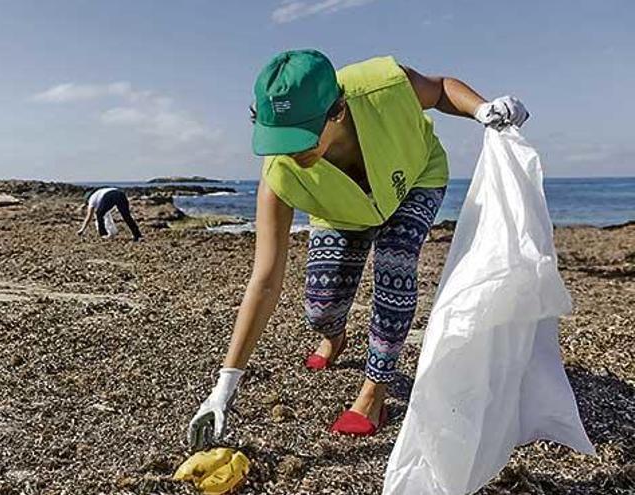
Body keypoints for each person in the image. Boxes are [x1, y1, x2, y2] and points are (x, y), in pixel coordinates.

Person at [188, 50, 529, 449]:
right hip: (342, 212)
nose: (291, 151)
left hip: (415, 181)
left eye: (302, 135)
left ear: (338, 110)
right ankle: (334, 338)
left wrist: (483, 109)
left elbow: (438, 90)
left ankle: (373, 394)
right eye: (280, 136)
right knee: (320, 310)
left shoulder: (383, 85)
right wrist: (223, 389)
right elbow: (264, 282)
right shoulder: (280, 175)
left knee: (395, 266)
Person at [78, 187, 142, 241]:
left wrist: (82, 229)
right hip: (120, 193)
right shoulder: (99, 193)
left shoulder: (91, 199)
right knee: (126, 216)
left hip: (109, 195)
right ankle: (137, 235)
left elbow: (89, 216)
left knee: (99, 214)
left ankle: (103, 234)